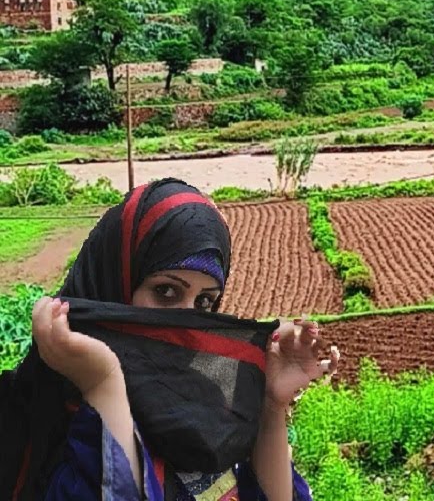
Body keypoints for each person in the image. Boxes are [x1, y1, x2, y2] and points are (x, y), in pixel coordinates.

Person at [0, 178, 339, 501]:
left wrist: (270, 405)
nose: (187, 320)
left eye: (204, 302)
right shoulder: (53, 416)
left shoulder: (207, 402)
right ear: (114, 284)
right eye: (166, 292)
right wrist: (103, 385)